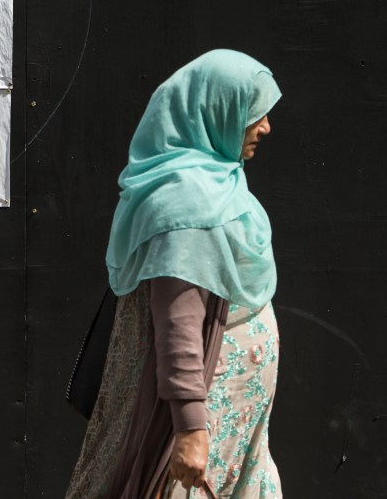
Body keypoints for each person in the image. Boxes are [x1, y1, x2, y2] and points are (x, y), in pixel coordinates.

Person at [66, 50, 283, 499]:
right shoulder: (186, 203)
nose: (265, 127)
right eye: (254, 114)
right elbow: (179, 325)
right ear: (216, 109)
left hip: (235, 427)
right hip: (198, 426)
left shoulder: (220, 180)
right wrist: (190, 430)